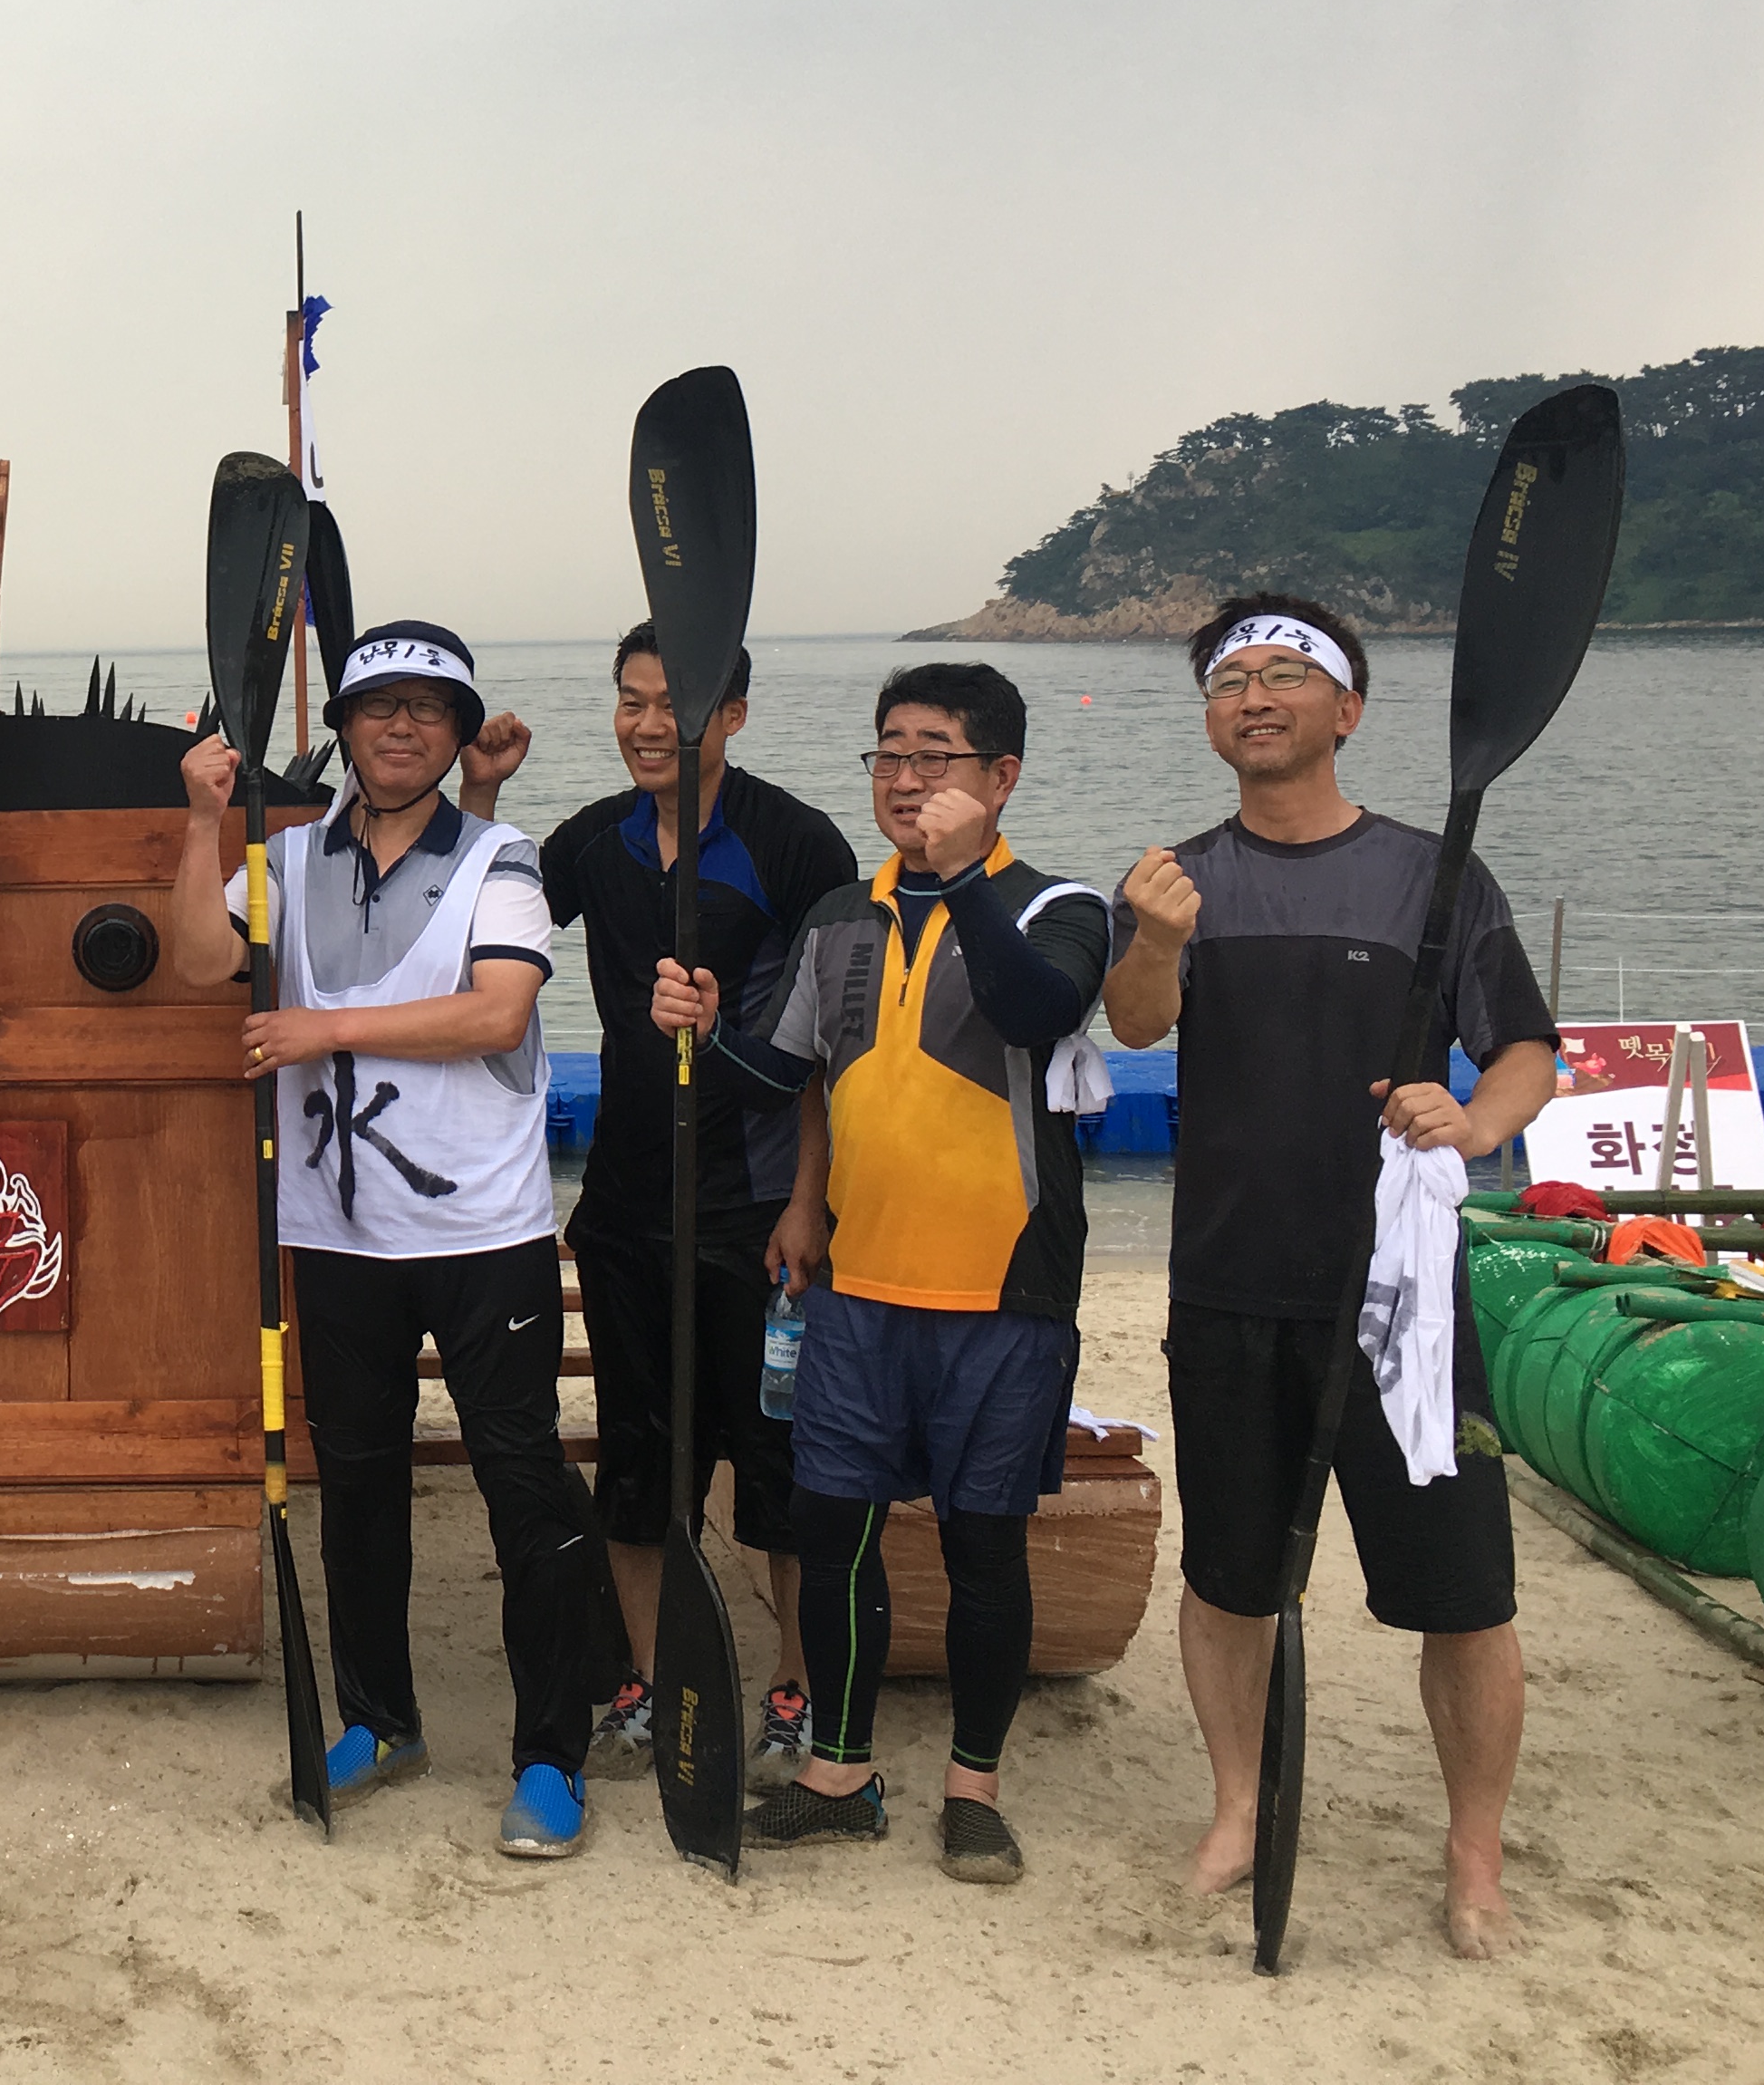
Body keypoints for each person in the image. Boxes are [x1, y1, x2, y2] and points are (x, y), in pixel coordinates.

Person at [1101, 594, 1555, 1960]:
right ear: (1209, 718)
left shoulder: (1436, 874)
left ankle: (1474, 1855)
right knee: (1232, 1577)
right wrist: (1161, 940)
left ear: (1347, 711)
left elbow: (1528, 1047)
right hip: (1233, 1280)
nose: (1254, 693)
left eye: (1287, 673)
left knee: (1463, 1591)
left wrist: (1474, 1123)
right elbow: (1133, 1029)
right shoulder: (1176, 875)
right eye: (1230, 677)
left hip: (1405, 1300)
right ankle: (1239, 1807)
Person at [661, 661, 1108, 1885]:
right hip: (856, 1288)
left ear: (1001, 776)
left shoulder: (1061, 906)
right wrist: (708, 1034)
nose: (905, 780)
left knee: (983, 1547)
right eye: (887, 756)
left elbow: (1038, 1011)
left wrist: (962, 880)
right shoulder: (839, 919)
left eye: (935, 757)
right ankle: (839, 1774)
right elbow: (793, 1073)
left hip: (1001, 1291)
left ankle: (974, 1784)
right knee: (836, 1532)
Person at [165, 620, 603, 1859]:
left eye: (428, 710)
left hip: (483, 1229)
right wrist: (203, 821)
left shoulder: (502, 856)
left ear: (458, 734)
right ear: (346, 730)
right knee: (357, 1482)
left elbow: (496, 1008)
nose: (400, 728)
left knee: (524, 1484)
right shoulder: (287, 855)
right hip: (337, 1231)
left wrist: (323, 1032)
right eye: (377, 707)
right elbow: (203, 959)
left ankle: (551, 1754)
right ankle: (381, 1719)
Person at [520, 626, 853, 1784]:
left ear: (736, 717)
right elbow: (487, 924)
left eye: (676, 706)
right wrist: (479, 787)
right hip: (625, 1206)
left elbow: (829, 1050)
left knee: (779, 1476)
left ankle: (799, 1692)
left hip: (758, 1211)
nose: (649, 725)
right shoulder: (595, 842)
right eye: (631, 701)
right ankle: (655, 1690)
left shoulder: (794, 842)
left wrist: (809, 1204)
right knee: (639, 1467)